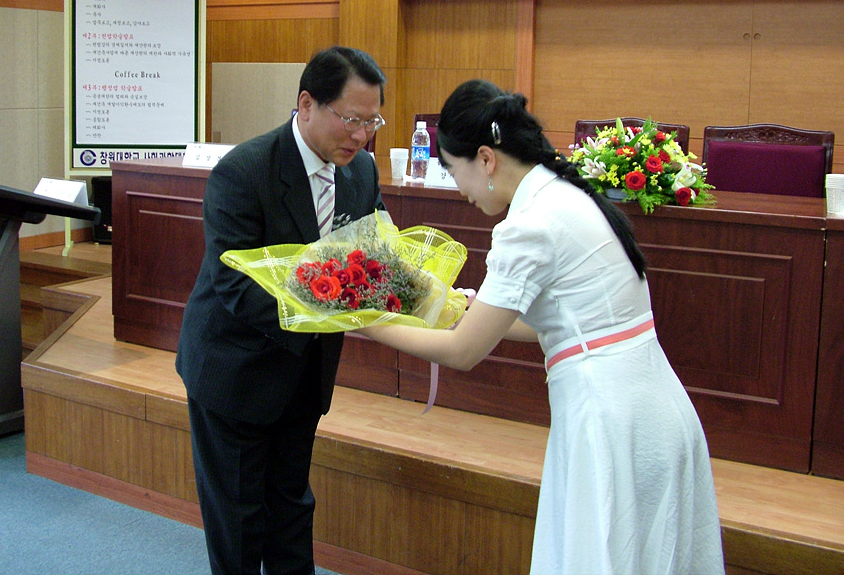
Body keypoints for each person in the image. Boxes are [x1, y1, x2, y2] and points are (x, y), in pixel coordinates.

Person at [358, 80, 724, 575]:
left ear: (486, 159)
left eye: (454, 171)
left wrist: (365, 320)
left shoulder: (528, 225)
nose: (459, 189)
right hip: (652, 413)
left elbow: (464, 352)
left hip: (611, 422)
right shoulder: (565, 194)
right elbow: (556, 323)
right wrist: (462, 306)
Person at [175, 46, 387, 575]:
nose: (362, 136)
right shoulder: (244, 171)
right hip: (236, 368)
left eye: (372, 122)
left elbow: (377, 250)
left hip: (304, 371)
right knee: (239, 518)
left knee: (291, 505)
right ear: (307, 103)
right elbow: (234, 284)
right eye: (351, 119)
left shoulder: (361, 171)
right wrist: (326, 313)